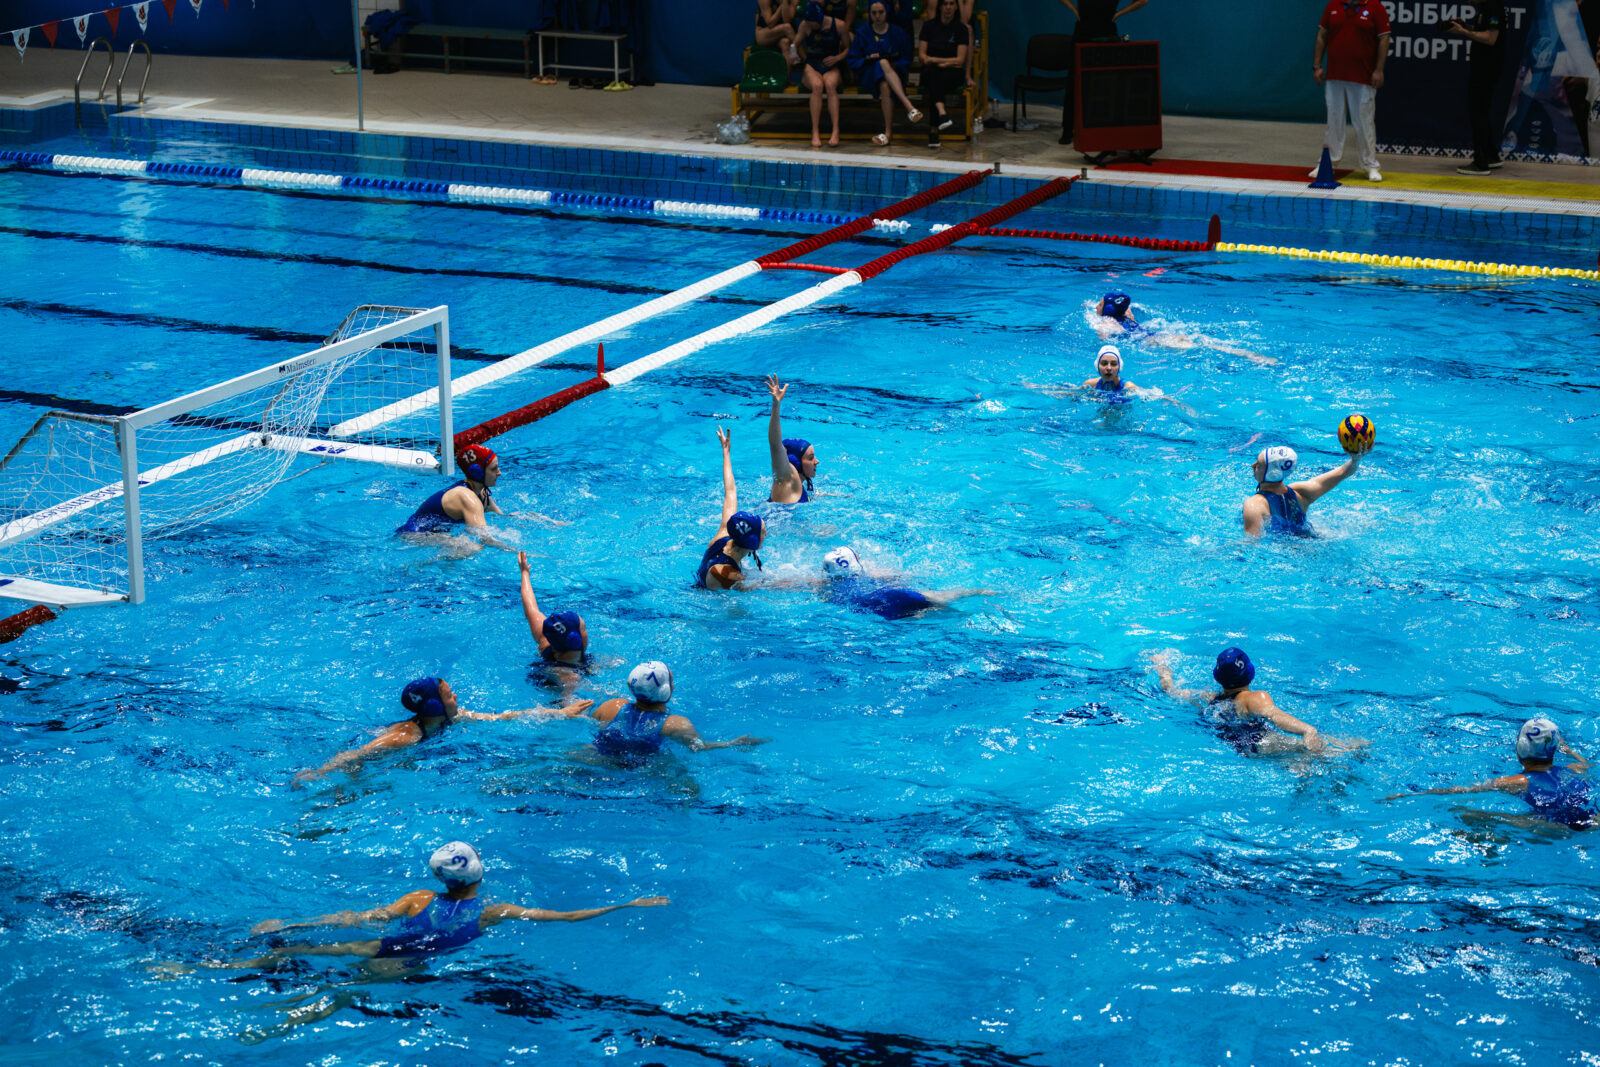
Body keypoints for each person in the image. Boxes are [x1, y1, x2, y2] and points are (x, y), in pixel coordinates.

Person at [202, 842, 669, 969]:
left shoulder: (417, 899)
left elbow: (352, 918)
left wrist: (289, 921)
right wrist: (626, 904)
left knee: (295, 951)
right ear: (480, 873)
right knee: (343, 995)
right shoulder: (495, 912)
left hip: (377, 945)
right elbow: (566, 917)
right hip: (406, 963)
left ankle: (205, 966)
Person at [296, 678, 592, 782]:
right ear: (434, 706)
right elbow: (360, 754)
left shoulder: (454, 718)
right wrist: (319, 772)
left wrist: (559, 713)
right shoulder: (405, 736)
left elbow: (503, 717)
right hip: (374, 767)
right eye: (450, 695)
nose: (456, 698)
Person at [1386, 718, 1594, 829]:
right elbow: (1585, 764)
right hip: (1593, 821)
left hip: (1554, 828)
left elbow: (1463, 790)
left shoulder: (1518, 782)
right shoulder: (1573, 770)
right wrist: (1569, 750)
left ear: (1520, 749)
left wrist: (1413, 795)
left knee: (1464, 814)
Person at [1151, 648, 1362, 755]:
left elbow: (1171, 690)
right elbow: (1275, 716)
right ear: (1250, 674)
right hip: (1267, 744)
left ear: (1218, 677)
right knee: (1354, 748)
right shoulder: (1253, 698)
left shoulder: (1208, 698)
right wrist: (1307, 730)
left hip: (1244, 751)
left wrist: (1162, 666)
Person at [590, 661, 769, 767]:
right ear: (665, 691)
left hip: (600, 757)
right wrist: (732, 744)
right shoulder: (674, 724)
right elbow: (699, 747)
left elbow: (587, 723)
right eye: (671, 681)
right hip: (642, 767)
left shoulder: (612, 706)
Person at [1312, 0, 1391, 183]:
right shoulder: (1333, 5)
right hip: (1335, 75)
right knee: (1333, 121)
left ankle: (1370, 165)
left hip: (1363, 76)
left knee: (1364, 122)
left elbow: (1384, 39)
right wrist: (1317, 66)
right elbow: (1322, 35)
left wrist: (1378, 70)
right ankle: (1328, 163)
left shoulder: (1375, 7)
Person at [1091, 291, 1277, 366]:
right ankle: (1249, 354)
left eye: (1099, 304)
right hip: (1159, 333)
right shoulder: (1127, 315)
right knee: (1206, 343)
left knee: (1203, 348)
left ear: (1107, 310)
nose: (1096, 307)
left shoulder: (1108, 322)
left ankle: (1251, 358)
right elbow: (1123, 304)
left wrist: (1097, 324)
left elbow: (1103, 338)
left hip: (1153, 341)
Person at [1054, 0, 1150, 145]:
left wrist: (1118, 14)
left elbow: (1143, 1)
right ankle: (1068, 129)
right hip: (1083, 33)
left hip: (1107, 35)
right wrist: (1073, 8)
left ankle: (1105, 129)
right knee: (1074, 83)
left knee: (1108, 83)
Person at [819, 546, 990, 619]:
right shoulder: (873, 574)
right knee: (946, 602)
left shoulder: (827, 590)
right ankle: (983, 592)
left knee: (922, 617)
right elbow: (901, 576)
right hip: (896, 596)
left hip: (877, 611)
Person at [1241, 443, 1365, 538]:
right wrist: (1356, 459)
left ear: (1273, 474)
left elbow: (1250, 544)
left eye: (1258, 466)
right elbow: (1342, 472)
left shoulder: (1255, 504)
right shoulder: (1300, 493)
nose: (1253, 465)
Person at [695, 427, 766, 590]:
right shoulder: (728, 574)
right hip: (703, 604)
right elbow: (768, 586)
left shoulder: (724, 534)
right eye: (763, 531)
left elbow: (731, 491)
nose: (766, 533)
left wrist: (726, 452)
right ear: (752, 541)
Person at [396, 444, 506, 544]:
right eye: (494, 469)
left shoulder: (481, 493)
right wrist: (512, 550)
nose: (499, 473)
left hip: (430, 532)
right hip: (413, 534)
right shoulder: (468, 498)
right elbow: (484, 538)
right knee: (469, 546)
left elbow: (501, 517)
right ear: (477, 473)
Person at [1446, 2, 1508, 175]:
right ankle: (1491, 156)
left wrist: (1464, 32)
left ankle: (1480, 163)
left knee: (1478, 112)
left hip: (1486, 68)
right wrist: (1466, 26)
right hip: (1483, 67)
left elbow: (1490, 38)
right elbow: (1484, 30)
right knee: (1481, 112)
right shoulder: (1486, 7)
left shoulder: (1493, 6)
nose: (1468, 1)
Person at [518, 550, 589, 701]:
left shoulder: (546, 640)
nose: (587, 632)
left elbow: (531, 609)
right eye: (584, 629)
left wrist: (524, 573)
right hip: (547, 689)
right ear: (575, 639)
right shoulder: (569, 678)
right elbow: (568, 706)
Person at [849, 2, 921, 146]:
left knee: (885, 84)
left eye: (881, 12)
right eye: (874, 13)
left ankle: (888, 133)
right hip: (869, 74)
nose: (877, 16)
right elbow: (853, 59)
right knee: (882, 63)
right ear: (869, 14)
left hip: (894, 73)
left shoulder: (898, 32)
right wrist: (868, 58)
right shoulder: (862, 33)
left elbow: (906, 57)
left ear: (886, 12)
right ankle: (909, 107)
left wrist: (894, 64)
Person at [795, 2, 852, 147]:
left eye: (812, 23)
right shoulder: (805, 25)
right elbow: (795, 44)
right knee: (817, 85)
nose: (810, 25)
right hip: (812, 65)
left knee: (830, 85)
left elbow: (848, 49)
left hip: (831, 66)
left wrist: (837, 58)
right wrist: (804, 59)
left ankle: (835, 130)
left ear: (820, 19)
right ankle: (815, 131)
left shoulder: (839, 25)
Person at [918, 0, 971, 148]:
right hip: (931, 70)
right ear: (940, 6)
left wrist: (937, 60)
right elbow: (922, 56)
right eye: (945, 4)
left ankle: (934, 130)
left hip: (952, 73)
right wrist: (942, 62)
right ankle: (942, 114)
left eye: (952, 4)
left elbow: (960, 60)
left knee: (936, 81)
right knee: (934, 76)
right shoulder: (929, 26)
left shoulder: (961, 29)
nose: (948, 7)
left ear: (956, 7)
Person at [765, 374, 819, 504]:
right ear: (796, 461)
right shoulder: (787, 478)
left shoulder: (797, 484)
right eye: (810, 458)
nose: (816, 461)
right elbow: (775, 445)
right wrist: (776, 404)